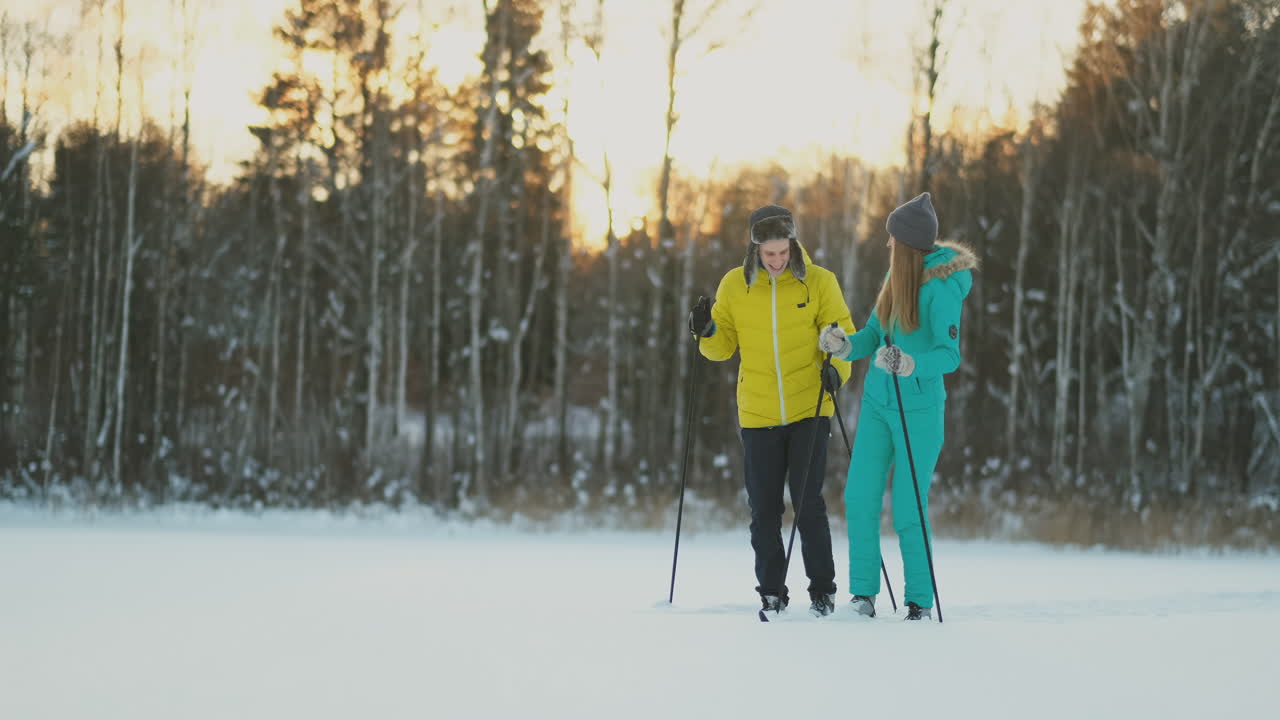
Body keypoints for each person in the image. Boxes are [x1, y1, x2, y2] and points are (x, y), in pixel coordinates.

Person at [688, 204, 856, 617]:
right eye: (769, 254)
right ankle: (772, 592)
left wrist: (836, 370)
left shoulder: (819, 282)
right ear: (755, 250)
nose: (777, 261)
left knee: (808, 502)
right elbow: (721, 347)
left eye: (783, 253)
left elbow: (842, 336)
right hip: (758, 414)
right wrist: (705, 330)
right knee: (763, 509)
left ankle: (822, 591)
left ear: (793, 246)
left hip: (809, 407)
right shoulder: (735, 286)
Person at [818, 191, 977, 621]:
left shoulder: (942, 290)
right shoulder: (894, 280)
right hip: (877, 404)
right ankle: (863, 596)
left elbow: (949, 355)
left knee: (908, 507)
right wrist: (845, 345)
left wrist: (910, 364)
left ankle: (919, 602)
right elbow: (872, 335)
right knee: (860, 496)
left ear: (907, 245)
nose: (887, 245)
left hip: (919, 413)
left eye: (892, 239)